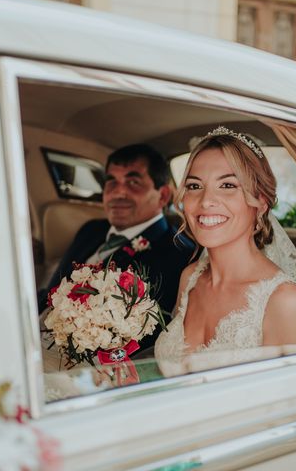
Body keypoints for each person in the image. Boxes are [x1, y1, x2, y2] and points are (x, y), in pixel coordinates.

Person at [155, 126, 296, 369]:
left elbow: (286, 402)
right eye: (194, 186)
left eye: (227, 185)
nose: (206, 201)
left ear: (261, 202)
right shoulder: (190, 278)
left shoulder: (283, 300)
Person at [37, 144, 195, 351]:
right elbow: (53, 290)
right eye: (111, 181)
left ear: (163, 195)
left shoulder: (179, 252)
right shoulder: (91, 230)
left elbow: (150, 336)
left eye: (133, 182)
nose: (118, 192)